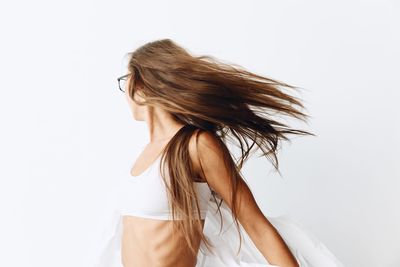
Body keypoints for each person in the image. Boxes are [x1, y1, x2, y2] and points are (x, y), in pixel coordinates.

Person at [86, 39, 345, 267]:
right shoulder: (142, 157)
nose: (124, 95)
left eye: (125, 81)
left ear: (140, 83)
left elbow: (255, 224)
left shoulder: (196, 145)